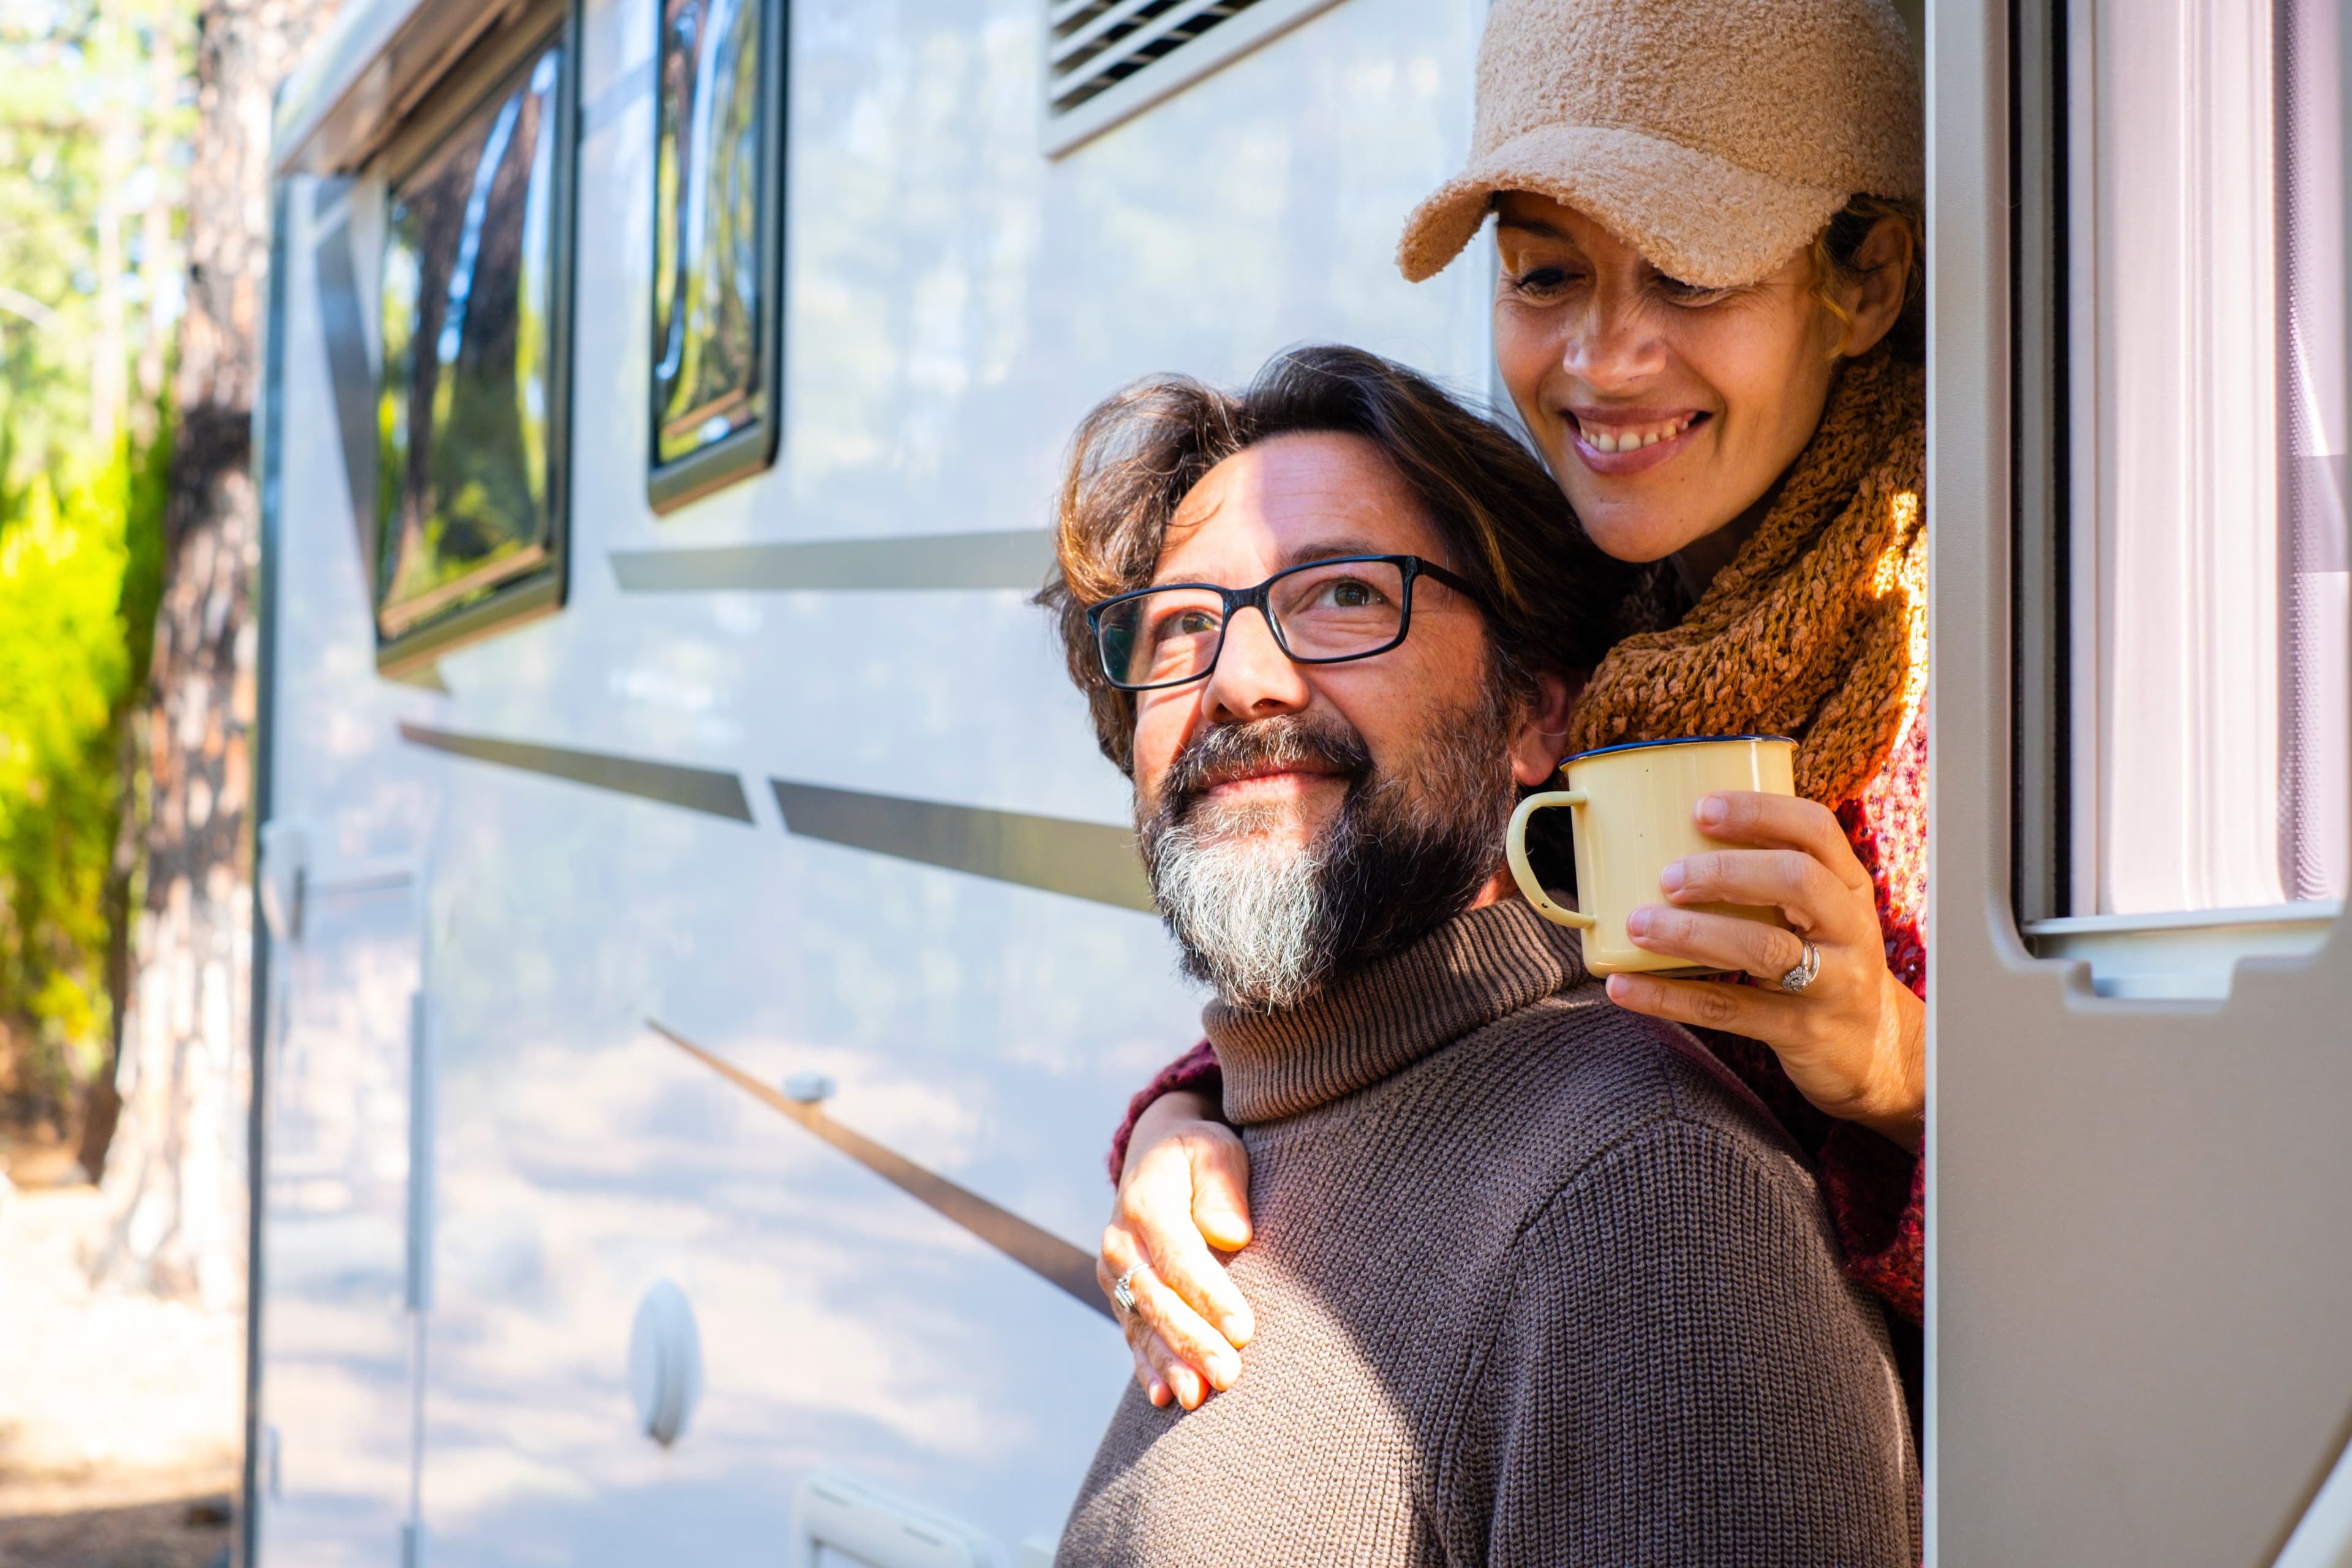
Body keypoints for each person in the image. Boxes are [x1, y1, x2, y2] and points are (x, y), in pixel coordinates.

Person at [1098, 0, 1936, 1419]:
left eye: (1688, 273)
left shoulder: (1990, 628)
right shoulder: (1568, 585)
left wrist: (1904, 1074)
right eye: (1546, 277)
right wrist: (1189, 1115)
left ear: (1863, 281)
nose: (1605, 362)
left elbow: (2188, 1195)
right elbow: (1442, 936)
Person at [1039, 344, 1918, 1566]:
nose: (1242, 679)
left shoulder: (1644, 1197)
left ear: (1530, 714)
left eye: (1343, 594)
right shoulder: (1264, 1137)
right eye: (1184, 623)